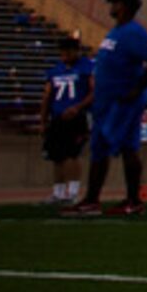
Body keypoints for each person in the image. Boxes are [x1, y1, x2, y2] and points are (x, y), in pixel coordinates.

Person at [64, 0, 147, 217]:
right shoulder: (116, 32)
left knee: (125, 147)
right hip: (107, 101)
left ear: (125, 7)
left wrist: (139, 87)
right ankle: (94, 199)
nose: (112, 6)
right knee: (101, 147)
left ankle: (131, 199)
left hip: (122, 100)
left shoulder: (132, 32)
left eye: (116, 3)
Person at [42, 35, 92, 204]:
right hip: (57, 118)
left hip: (76, 118)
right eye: (62, 53)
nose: (64, 56)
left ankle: (73, 192)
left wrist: (78, 107)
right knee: (57, 156)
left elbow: (95, 91)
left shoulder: (86, 67)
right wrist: (43, 120)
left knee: (72, 154)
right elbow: (47, 96)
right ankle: (58, 192)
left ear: (76, 51)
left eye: (68, 52)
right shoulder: (56, 70)